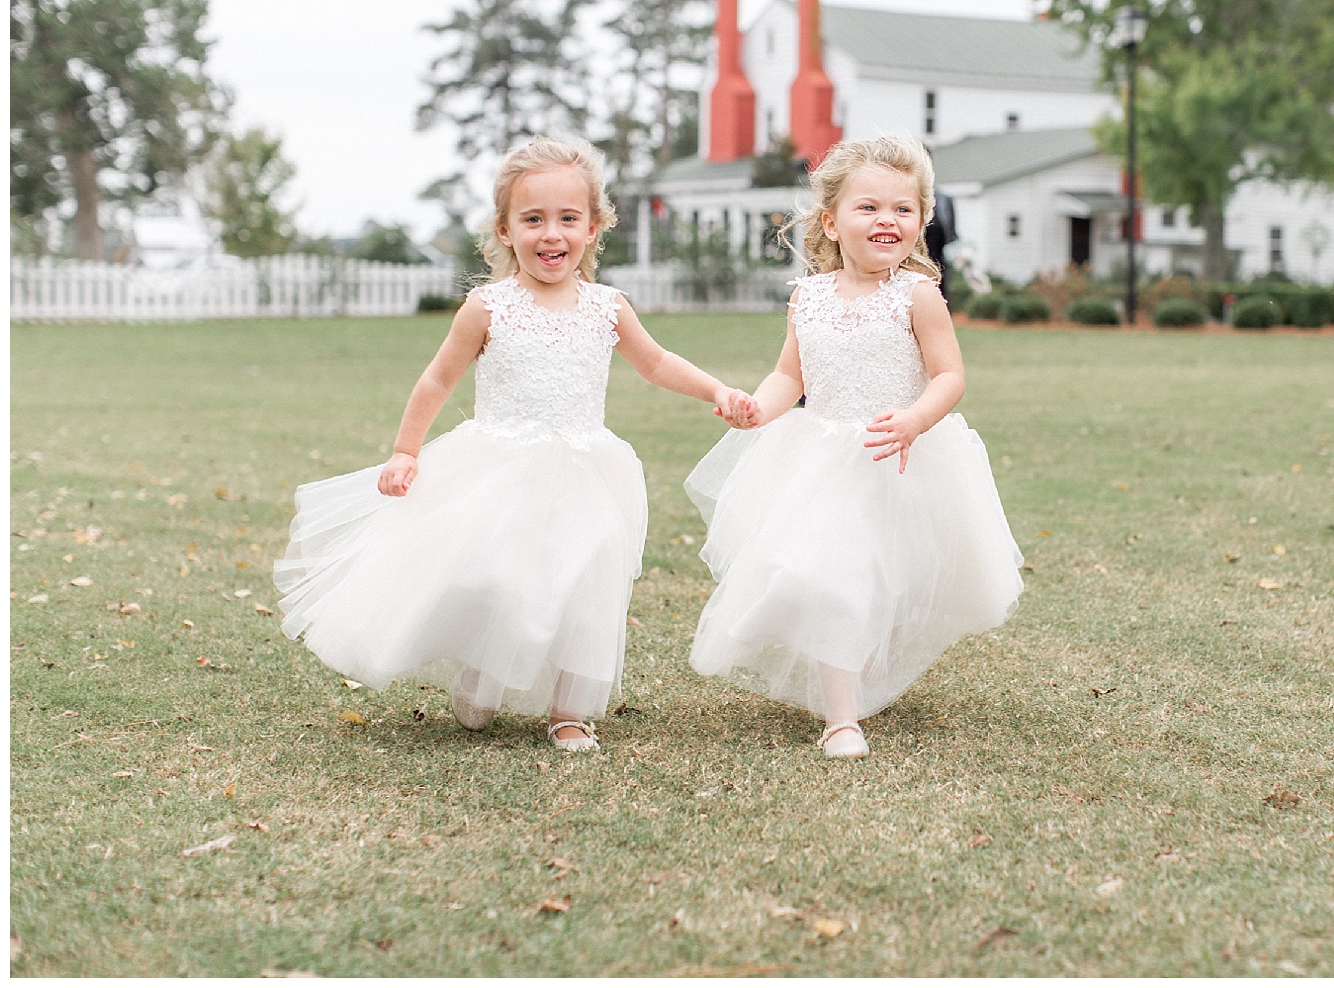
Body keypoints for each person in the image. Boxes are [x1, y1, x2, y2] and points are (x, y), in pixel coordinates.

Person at [274, 137, 754, 752]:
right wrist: (405, 451)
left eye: (567, 219)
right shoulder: (487, 307)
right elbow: (437, 379)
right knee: (494, 575)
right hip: (498, 465)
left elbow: (656, 363)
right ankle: (480, 675)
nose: (550, 234)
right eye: (533, 220)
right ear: (505, 229)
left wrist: (718, 390)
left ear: (593, 227)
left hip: (585, 469)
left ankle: (568, 710)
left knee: (581, 584)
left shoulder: (608, 307)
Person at [683, 133, 1023, 759]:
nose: (886, 220)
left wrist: (916, 419)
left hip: (896, 454)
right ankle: (842, 717)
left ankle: (862, 661)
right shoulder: (807, 298)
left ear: (921, 221)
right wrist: (760, 408)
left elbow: (950, 376)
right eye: (868, 207)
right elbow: (791, 375)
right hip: (819, 458)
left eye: (902, 209)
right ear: (831, 222)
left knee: (883, 577)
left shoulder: (918, 295)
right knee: (826, 574)